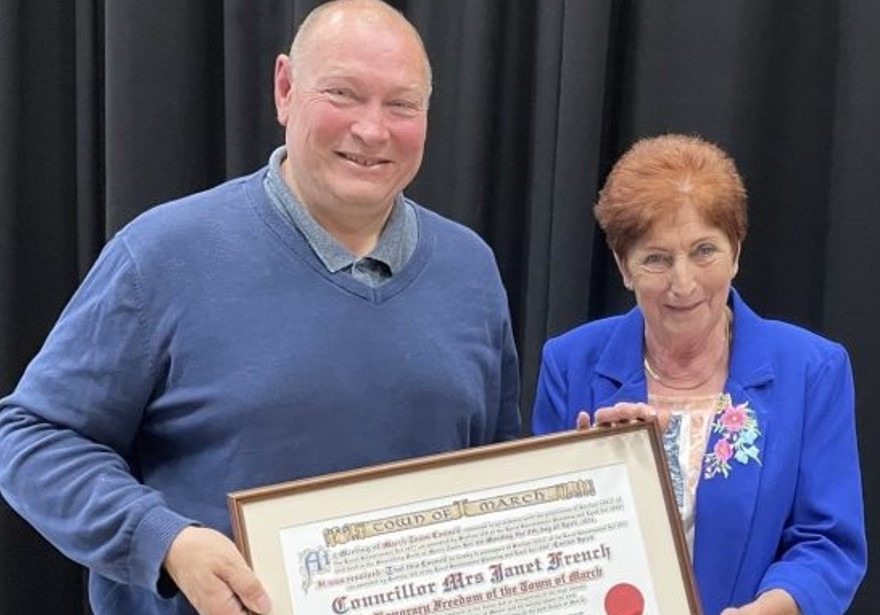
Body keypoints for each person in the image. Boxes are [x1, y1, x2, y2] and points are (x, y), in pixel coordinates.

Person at [0, 1, 521, 613]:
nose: (373, 130)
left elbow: (494, 472)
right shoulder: (162, 255)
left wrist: (614, 463)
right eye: (344, 94)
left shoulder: (470, 267)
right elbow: (32, 437)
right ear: (284, 90)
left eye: (401, 104)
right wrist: (164, 542)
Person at [531, 134, 865, 615]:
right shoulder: (571, 363)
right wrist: (591, 474)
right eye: (656, 259)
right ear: (624, 267)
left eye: (704, 251)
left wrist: (769, 610)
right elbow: (544, 543)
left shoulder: (811, 368)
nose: (682, 283)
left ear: (737, 251)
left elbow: (828, 542)